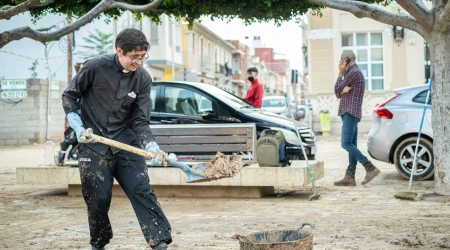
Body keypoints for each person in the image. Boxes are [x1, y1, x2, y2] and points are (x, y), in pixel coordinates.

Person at [62, 28, 172, 250]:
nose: (139, 62)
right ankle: (99, 243)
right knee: (98, 198)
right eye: (134, 57)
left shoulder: (142, 78)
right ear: (119, 51)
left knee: (142, 190)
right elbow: (70, 96)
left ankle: (160, 241)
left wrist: (150, 144)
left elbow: (140, 120)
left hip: (126, 144)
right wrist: (77, 126)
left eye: (143, 56)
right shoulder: (94, 67)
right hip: (93, 144)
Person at [333, 50, 380, 186]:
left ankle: (369, 167)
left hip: (350, 112)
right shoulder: (352, 73)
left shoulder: (353, 73)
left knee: (346, 143)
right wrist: (342, 89)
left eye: (342, 59)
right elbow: (339, 92)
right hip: (349, 112)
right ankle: (350, 176)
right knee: (351, 144)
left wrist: (340, 74)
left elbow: (337, 91)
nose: (340, 63)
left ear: (347, 60)